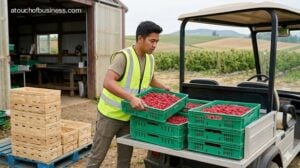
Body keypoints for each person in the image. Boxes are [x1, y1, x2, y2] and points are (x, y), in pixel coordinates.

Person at [86, 21, 170, 168]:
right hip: (110, 115)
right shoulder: (124, 57)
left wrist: (164, 88)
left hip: (130, 116)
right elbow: (107, 82)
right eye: (152, 41)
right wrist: (130, 97)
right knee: (97, 157)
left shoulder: (150, 58)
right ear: (140, 39)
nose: (155, 45)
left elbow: (149, 78)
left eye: (157, 41)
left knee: (125, 160)